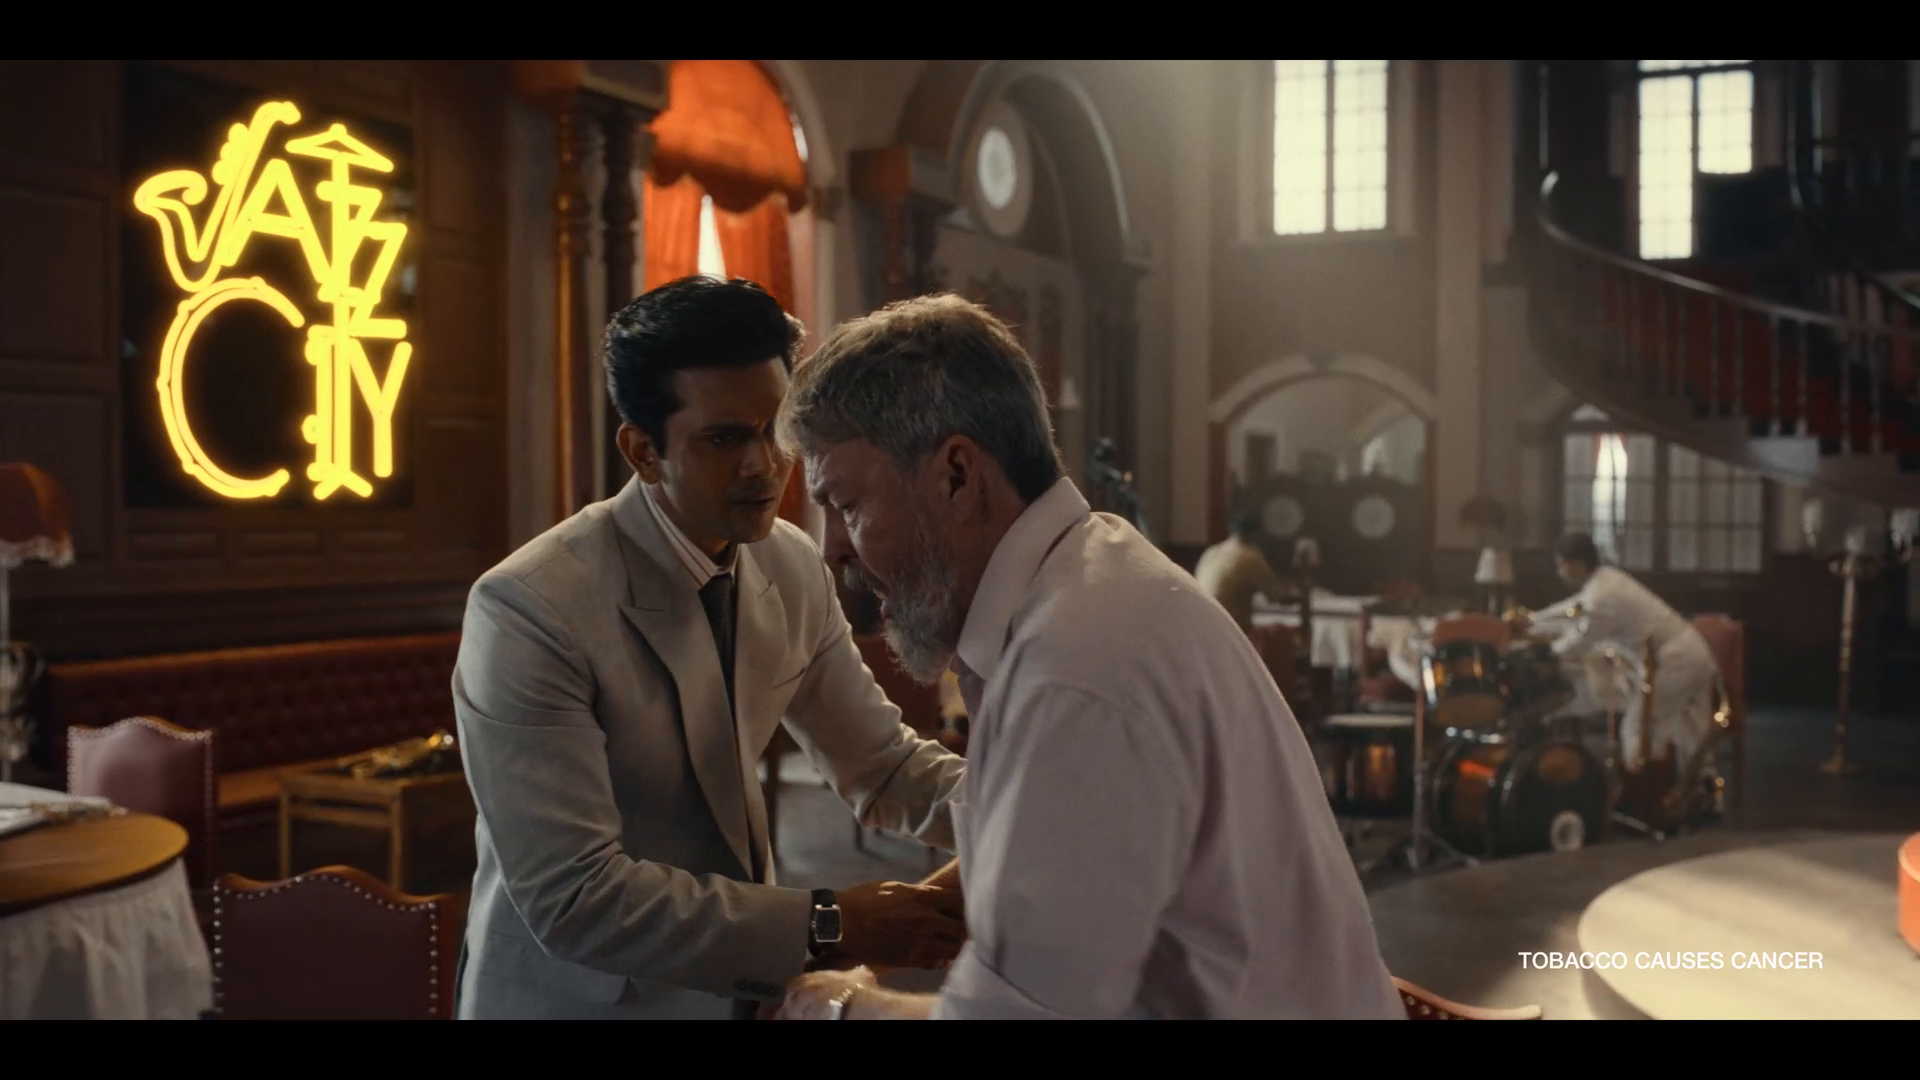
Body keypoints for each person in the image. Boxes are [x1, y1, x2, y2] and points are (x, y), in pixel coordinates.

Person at [769, 294, 1403, 1020]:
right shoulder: (1090, 574)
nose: (831, 549)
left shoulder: (1073, 668)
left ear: (956, 475)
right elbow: (1071, 838)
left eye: (845, 504)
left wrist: (832, 1006)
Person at [451, 277, 967, 1020]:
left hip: (732, 990)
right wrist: (832, 924)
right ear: (643, 451)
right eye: (724, 439)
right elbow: (575, 898)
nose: (764, 464)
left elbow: (883, 766)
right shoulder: (530, 608)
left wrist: (1031, 804)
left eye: (776, 429)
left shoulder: (790, 564)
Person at [1509, 532, 1720, 787]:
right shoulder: (1607, 579)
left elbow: (1580, 640)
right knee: (1691, 732)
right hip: (1694, 650)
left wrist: (1548, 653)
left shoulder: (1601, 596)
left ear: (1575, 563)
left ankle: (1643, 794)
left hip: (1675, 660)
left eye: (1561, 565)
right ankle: (1699, 792)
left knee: (1638, 727)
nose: (1559, 572)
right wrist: (1534, 621)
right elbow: (1573, 609)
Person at [1193, 507, 1297, 635]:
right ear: (1255, 534)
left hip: (1199, 624)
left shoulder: (1211, 552)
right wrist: (1299, 597)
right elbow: (1276, 596)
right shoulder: (1251, 557)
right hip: (1228, 630)